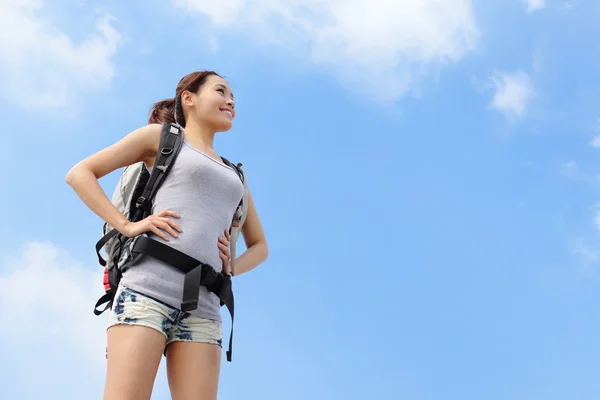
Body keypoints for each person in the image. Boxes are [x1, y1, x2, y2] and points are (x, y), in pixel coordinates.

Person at [65, 70, 268, 400]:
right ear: (188, 98)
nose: (231, 100)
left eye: (234, 97)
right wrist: (129, 226)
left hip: (204, 307)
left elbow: (260, 246)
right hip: (147, 291)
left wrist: (232, 264)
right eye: (221, 91)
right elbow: (80, 174)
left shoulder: (235, 175)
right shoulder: (161, 138)